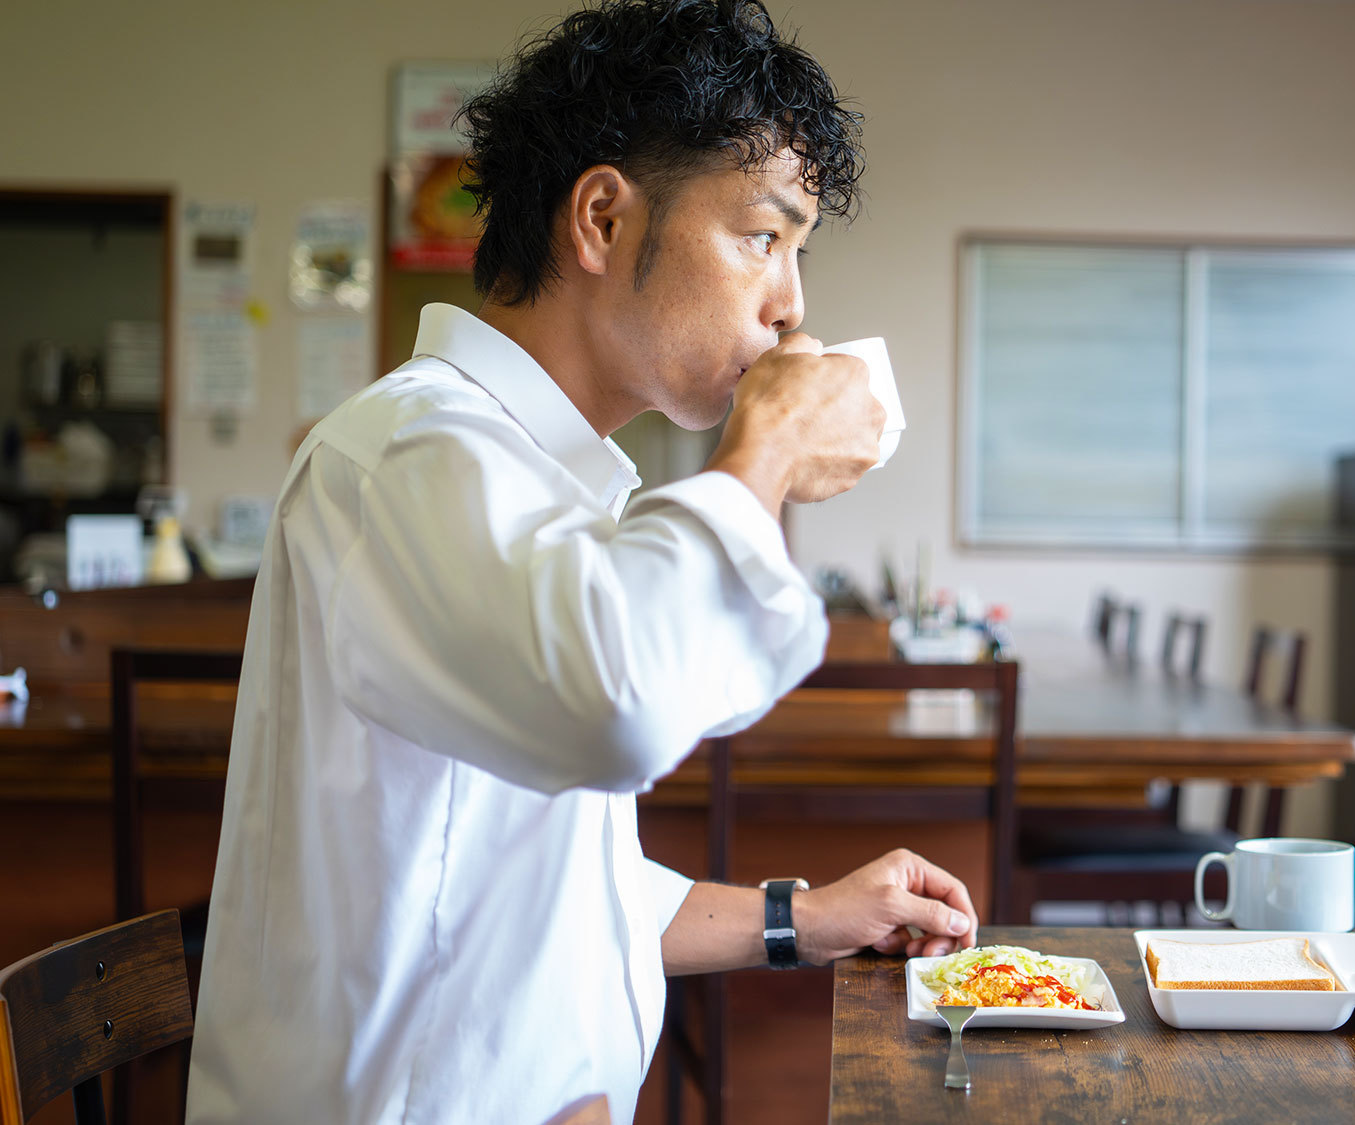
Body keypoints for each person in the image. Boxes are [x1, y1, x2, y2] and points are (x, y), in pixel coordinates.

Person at [184, 3, 979, 1122]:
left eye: (798, 253)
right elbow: (617, 706)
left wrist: (802, 918)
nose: (791, 303)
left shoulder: (551, 478)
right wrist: (766, 448)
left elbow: (550, 885)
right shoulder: (411, 454)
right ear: (601, 218)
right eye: (762, 236)